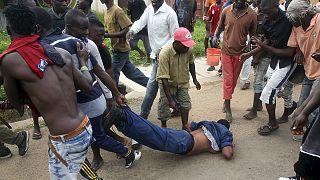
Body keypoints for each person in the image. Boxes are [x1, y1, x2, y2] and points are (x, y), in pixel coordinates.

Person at [0, 4, 94, 179]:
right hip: (85, 127)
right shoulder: (60, 53)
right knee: (78, 166)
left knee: (68, 169)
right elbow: (88, 85)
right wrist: (82, 61)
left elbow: (18, 105)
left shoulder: (10, 60)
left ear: (8, 30)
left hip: (66, 138)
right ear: (35, 28)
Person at [64, 9, 142, 170]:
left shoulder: (87, 46)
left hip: (92, 98)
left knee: (96, 134)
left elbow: (102, 73)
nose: (85, 33)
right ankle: (117, 149)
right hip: (77, 101)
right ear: (69, 27)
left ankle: (124, 149)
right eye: (83, 29)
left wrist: (113, 95)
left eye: (87, 29)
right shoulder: (64, 43)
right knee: (94, 133)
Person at [240, 0, 296, 135]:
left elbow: (289, 51)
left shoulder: (289, 20)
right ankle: (290, 106)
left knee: (268, 92)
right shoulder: (266, 22)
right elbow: (267, 41)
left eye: (268, 12)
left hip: (288, 60)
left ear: (277, 7)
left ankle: (272, 123)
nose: (265, 16)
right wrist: (249, 54)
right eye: (263, 12)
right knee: (270, 89)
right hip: (276, 59)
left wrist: (263, 47)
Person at [105, 105, 234, 159]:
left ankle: (121, 119)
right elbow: (227, 154)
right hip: (184, 144)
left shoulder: (208, 124)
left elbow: (188, 126)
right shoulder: (224, 134)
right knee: (149, 133)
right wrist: (230, 145)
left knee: (149, 134)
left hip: (183, 137)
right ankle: (123, 114)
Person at [127, 0, 179, 120]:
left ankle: (143, 116)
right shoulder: (149, 9)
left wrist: (163, 48)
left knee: (155, 88)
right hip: (156, 57)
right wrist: (132, 30)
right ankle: (179, 107)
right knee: (157, 87)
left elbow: (175, 37)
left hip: (166, 58)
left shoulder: (170, 14)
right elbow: (140, 22)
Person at [212, 0, 257, 122]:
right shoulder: (226, 11)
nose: (239, 2)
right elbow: (220, 26)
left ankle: (227, 98)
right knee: (228, 79)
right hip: (226, 50)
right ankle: (228, 107)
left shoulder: (252, 14)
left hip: (240, 53)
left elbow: (253, 35)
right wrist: (215, 36)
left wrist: (249, 45)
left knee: (233, 80)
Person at [156, 27, 201, 129]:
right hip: (168, 83)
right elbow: (164, 78)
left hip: (183, 81)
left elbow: (191, 64)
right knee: (164, 104)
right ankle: (163, 126)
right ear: (176, 43)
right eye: (184, 45)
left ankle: (184, 125)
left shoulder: (189, 49)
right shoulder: (165, 53)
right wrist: (170, 100)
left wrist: (195, 79)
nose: (187, 48)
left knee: (185, 103)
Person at [101, 0, 149, 87]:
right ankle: (152, 85)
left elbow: (126, 30)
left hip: (121, 49)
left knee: (113, 74)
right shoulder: (107, 11)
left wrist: (107, 35)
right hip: (116, 49)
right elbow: (111, 29)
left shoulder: (117, 11)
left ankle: (115, 96)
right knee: (132, 74)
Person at [127, 0, 152, 66]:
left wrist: (145, 25)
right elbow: (129, 14)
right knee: (131, 43)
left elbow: (145, 14)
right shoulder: (131, 2)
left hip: (143, 28)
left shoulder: (140, 1)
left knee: (147, 46)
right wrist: (129, 7)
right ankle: (141, 53)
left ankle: (149, 60)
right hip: (135, 28)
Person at [204, 0, 216, 72]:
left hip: (220, 28)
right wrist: (207, 23)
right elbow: (207, 14)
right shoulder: (212, 5)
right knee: (209, 41)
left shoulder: (224, 4)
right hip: (211, 26)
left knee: (218, 46)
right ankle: (211, 62)